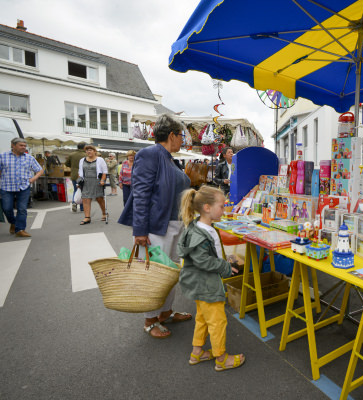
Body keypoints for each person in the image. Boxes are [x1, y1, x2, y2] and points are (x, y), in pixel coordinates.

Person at [118, 113, 192, 339]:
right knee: (154, 274)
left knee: (169, 274)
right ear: (171, 135)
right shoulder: (149, 154)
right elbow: (140, 194)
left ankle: (165, 312)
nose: (183, 141)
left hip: (173, 224)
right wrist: (139, 231)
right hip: (156, 228)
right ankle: (150, 320)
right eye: (181, 136)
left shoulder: (168, 158)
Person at [177, 185, 245, 370]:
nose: (225, 209)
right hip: (206, 283)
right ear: (207, 208)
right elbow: (203, 260)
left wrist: (223, 260)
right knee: (217, 321)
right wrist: (224, 266)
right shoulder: (204, 232)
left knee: (203, 317)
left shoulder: (199, 227)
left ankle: (197, 352)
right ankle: (221, 358)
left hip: (199, 283)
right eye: (222, 206)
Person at [0, 138, 43, 237]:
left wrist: (32, 179)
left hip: (23, 187)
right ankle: (13, 223)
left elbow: (40, 170)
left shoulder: (29, 158)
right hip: (6, 187)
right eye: (21, 145)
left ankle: (20, 230)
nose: (24, 147)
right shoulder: (2, 156)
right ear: (13, 145)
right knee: (6, 208)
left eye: (24, 145)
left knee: (22, 209)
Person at [78, 145, 108, 225]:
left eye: (90, 150)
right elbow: (80, 172)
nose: (89, 151)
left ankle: (104, 213)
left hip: (97, 181)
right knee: (85, 199)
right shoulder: (82, 160)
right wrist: (79, 182)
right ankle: (87, 217)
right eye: (87, 150)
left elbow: (105, 171)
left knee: (99, 198)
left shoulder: (100, 160)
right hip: (86, 181)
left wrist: (102, 180)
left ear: (95, 151)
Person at [65, 142, 86, 212]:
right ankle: (82, 207)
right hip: (83, 175)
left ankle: (74, 203)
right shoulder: (86, 155)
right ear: (84, 147)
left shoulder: (71, 154)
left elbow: (67, 163)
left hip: (74, 174)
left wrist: (73, 166)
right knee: (83, 191)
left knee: (76, 189)